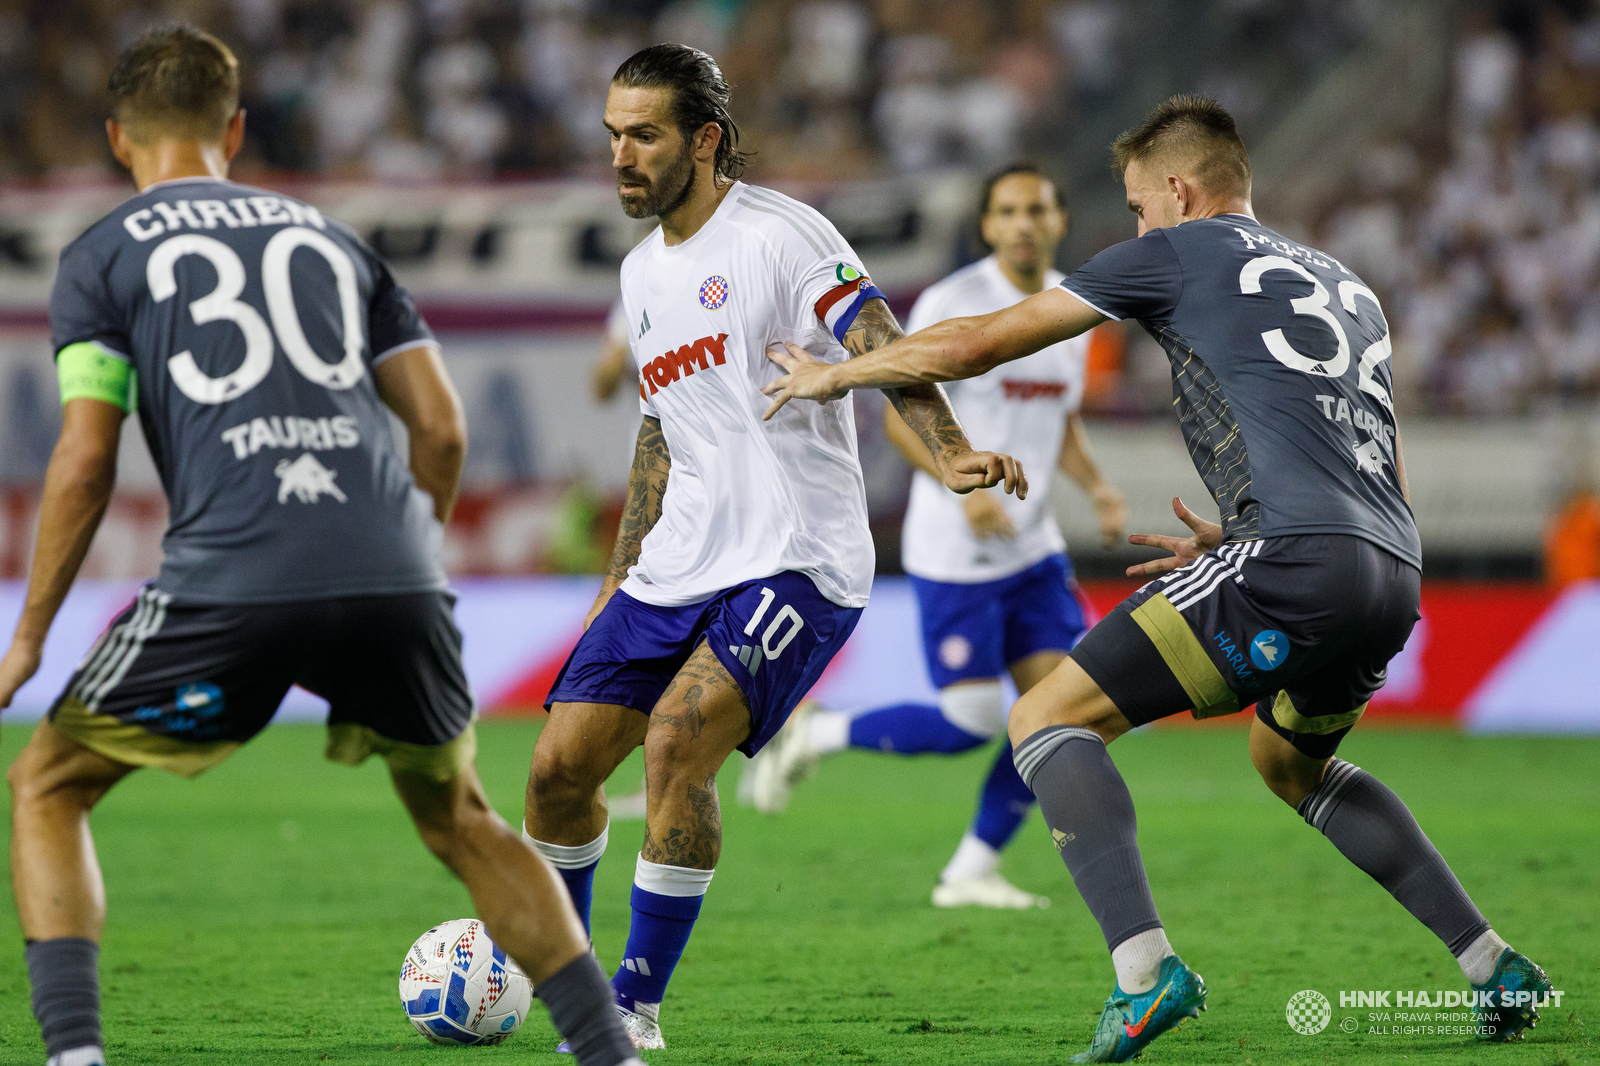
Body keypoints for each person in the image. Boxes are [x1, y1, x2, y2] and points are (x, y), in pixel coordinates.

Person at [763, 94, 1551, 1062]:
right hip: (1388, 561)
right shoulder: (1345, 282)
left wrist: (837, 375)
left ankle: (1143, 975)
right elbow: (1361, 449)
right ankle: (1492, 964)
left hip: (1293, 556)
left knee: (1043, 717)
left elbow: (979, 344)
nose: (1133, 226)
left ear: (1177, 190)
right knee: (1287, 763)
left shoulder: (1178, 250)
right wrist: (1247, 529)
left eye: (1136, 206)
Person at [0, 27, 642, 1066]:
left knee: (47, 784)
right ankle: (606, 1052)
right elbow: (439, 429)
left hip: (231, 574)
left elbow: (82, 461)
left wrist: (29, 638)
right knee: (462, 819)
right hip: (394, 570)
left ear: (120, 138)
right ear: (236, 129)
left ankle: (75, 1057)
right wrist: (408, 560)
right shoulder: (335, 243)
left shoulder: (105, 255)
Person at [520, 44, 1023, 1052]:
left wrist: (954, 452)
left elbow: (881, 335)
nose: (621, 155)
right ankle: (567, 978)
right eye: (613, 134)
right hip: (677, 558)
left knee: (675, 743)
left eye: (644, 135)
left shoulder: (784, 235)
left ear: (703, 140)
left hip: (800, 554)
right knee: (554, 776)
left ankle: (633, 1005)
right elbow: (661, 426)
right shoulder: (639, 270)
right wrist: (620, 571)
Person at [747, 164, 1128, 914]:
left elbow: (1058, 415)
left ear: (1059, 221)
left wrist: (1097, 485)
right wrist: (964, 500)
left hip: (1034, 547)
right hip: (956, 549)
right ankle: (822, 733)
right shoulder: (958, 303)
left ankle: (969, 870)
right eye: (1009, 211)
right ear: (987, 226)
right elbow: (898, 415)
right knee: (973, 722)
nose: (1024, 222)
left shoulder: (1072, 309)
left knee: (1067, 713)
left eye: (1038, 209)